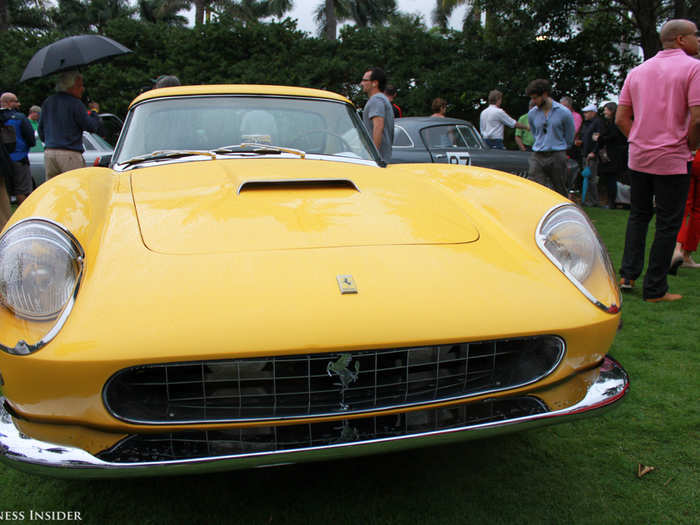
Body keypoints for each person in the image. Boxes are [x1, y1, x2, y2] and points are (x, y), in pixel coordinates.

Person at [616, 19, 700, 302]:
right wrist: (689, 145)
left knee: (638, 216)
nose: (698, 40)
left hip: (639, 156)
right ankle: (655, 288)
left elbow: (621, 118)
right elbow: (697, 117)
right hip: (673, 158)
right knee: (668, 223)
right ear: (680, 39)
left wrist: (638, 139)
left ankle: (627, 275)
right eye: (695, 35)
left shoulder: (638, 71)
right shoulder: (693, 68)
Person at [38, 70, 101, 180]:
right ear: (70, 87)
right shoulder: (75, 103)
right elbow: (91, 126)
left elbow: (41, 131)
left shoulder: (48, 102)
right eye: (80, 85)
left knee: (55, 190)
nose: (83, 89)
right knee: (75, 187)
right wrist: (94, 111)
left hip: (49, 153)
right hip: (70, 154)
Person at [525, 79, 576, 196]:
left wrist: (561, 148)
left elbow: (569, 135)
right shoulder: (532, 113)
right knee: (536, 187)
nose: (533, 101)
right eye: (532, 98)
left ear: (545, 94)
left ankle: (562, 213)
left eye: (535, 98)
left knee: (559, 188)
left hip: (557, 154)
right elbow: (535, 132)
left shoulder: (564, 112)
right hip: (538, 154)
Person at [0, 92, 36, 204]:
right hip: (19, 158)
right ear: (8, 103)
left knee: (5, 192)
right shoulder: (19, 118)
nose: (19, 104)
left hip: (3, 161)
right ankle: (25, 214)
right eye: (16, 101)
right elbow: (31, 139)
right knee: (22, 189)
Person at [671, 148, 700, 269]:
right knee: (698, 211)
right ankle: (687, 254)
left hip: (688, 156)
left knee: (683, 207)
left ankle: (677, 249)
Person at [596, 102, 628, 208]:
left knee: (611, 180)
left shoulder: (614, 124)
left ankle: (612, 202)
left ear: (611, 110)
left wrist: (599, 138)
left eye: (606, 110)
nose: (604, 112)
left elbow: (610, 137)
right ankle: (611, 201)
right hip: (614, 156)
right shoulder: (610, 123)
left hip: (613, 156)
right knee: (610, 179)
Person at [360, 67, 394, 162]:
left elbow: (378, 127)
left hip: (377, 160)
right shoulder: (382, 99)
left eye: (365, 80)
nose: (361, 83)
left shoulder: (376, 100)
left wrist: (373, 156)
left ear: (375, 83)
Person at [580, 104, 603, 206]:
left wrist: (594, 151)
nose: (584, 114)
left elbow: (598, 140)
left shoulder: (597, 124)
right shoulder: (587, 124)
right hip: (585, 153)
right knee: (587, 177)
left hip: (591, 155)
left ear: (593, 113)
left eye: (587, 112)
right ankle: (587, 199)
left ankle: (594, 201)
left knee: (591, 178)